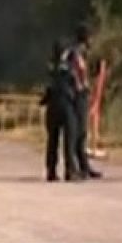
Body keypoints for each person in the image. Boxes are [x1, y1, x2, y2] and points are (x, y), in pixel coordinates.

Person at [61, 24, 102, 179]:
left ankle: (83, 165)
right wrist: (82, 85)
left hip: (75, 94)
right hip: (77, 95)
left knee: (80, 133)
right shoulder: (77, 52)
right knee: (77, 132)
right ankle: (75, 167)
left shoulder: (73, 51)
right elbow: (78, 70)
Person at [40, 41, 80, 181]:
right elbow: (76, 86)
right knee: (69, 140)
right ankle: (70, 171)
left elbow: (47, 89)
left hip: (52, 106)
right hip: (66, 106)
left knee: (52, 141)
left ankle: (51, 171)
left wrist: (44, 100)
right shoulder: (69, 68)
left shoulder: (50, 68)